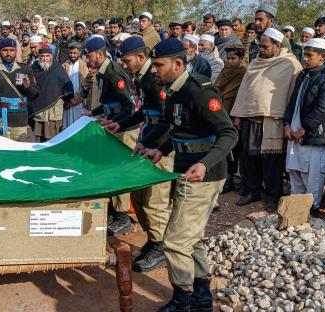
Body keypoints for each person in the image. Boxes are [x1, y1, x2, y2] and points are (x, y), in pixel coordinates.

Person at [145, 38, 237, 312]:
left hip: (201, 175)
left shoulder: (198, 91)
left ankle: (183, 300)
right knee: (190, 238)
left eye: (159, 65)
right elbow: (178, 128)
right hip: (184, 168)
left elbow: (229, 133)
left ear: (177, 63)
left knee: (174, 240)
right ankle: (200, 299)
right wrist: (161, 149)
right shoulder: (173, 90)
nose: (154, 70)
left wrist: (205, 164)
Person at [104, 36, 173, 273]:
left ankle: (161, 247)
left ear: (141, 57)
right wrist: (120, 125)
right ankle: (153, 242)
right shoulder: (143, 79)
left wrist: (150, 145)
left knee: (154, 201)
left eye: (127, 60)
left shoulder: (156, 80)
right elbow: (144, 112)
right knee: (139, 199)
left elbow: (167, 120)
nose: (123, 65)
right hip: (148, 145)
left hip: (160, 149)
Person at [230, 28, 303, 212]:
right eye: (260, 45)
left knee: (272, 161)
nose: (261, 49)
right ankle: (251, 191)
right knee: (248, 158)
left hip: (273, 120)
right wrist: (238, 114)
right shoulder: (255, 62)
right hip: (250, 118)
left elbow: (294, 95)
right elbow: (244, 90)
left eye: (265, 46)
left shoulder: (290, 64)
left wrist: (288, 121)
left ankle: (272, 196)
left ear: (277, 46)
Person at [83, 37, 135, 236]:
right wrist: (94, 112)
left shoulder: (113, 73)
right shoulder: (104, 72)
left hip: (124, 128)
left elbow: (128, 106)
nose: (88, 60)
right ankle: (115, 211)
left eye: (90, 56)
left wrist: (116, 122)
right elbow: (108, 101)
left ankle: (123, 216)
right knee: (111, 168)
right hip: (113, 123)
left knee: (120, 170)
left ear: (100, 53)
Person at [284, 38, 325, 217]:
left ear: (322, 57)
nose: (305, 58)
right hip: (294, 134)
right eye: (304, 54)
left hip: (314, 136)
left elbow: (324, 108)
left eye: (309, 55)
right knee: (295, 172)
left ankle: (311, 210)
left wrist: (303, 129)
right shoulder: (303, 75)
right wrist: (287, 124)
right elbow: (292, 102)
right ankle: (295, 210)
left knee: (313, 177)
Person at [0, 37, 40, 141]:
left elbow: (35, 95)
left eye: (12, 50)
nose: (8, 53)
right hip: (0, 120)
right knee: (3, 153)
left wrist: (28, 87)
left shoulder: (25, 69)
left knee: (20, 153)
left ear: (16, 51)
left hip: (20, 121)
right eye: (4, 50)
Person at [215, 45, 247, 194]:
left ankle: (231, 178)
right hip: (222, 113)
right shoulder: (224, 71)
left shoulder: (245, 73)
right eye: (228, 58)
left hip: (236, 115)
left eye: (233, 58)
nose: (229, 61)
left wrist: (238, 116)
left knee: (235, 148)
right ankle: (224, 178)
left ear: (241, 59)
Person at [31, 45, 73, 142]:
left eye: (47, 56)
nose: (45, 59)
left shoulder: (57, 67)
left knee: (54, 137)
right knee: (38, 136)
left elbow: (67, 85)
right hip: (39, 109)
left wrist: (67, 100)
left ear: (51, 56)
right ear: (39, 56)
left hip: (54, 109)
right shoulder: (34, 68)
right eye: (42, 56)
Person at [62, 41, 90, 128]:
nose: (72, 55)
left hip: (80, 103)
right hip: (67, 103)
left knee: (79, 128)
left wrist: (73, 102)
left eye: (74, 53)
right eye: (70, 53)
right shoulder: (64, 65)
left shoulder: (84, 66)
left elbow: (86, 87)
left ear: (79, 53)